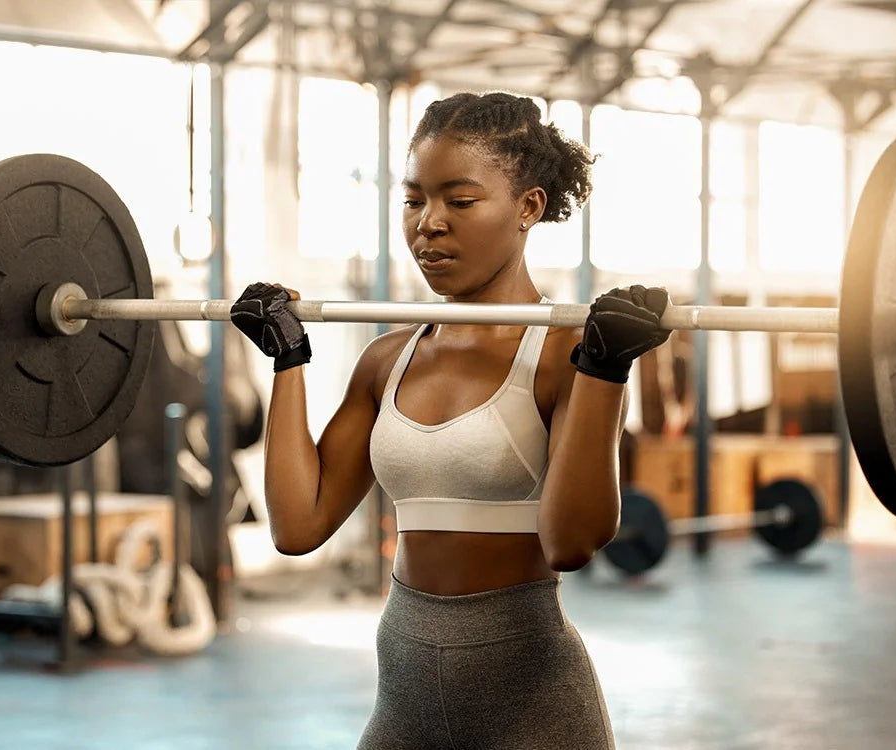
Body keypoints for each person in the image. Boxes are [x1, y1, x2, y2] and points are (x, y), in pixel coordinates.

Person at [230, 92, 671, 749]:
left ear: (529, 207)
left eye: (458, 201)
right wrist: (287, 360)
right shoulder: (387, 360)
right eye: (414, 201)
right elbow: (298, 527)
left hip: (531, 703)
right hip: (404, 693)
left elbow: (571, 543)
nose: (428, 224)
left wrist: (604, 373)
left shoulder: (562, 357)